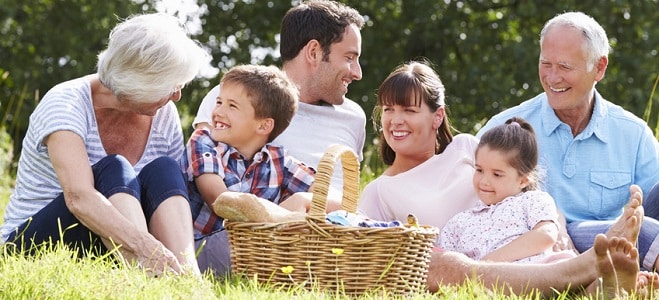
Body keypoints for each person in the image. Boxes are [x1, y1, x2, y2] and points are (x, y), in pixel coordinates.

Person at [357, 60, 649, 297]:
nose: (395, 120)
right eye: (388, 110)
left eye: (409, 110)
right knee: (452, 265)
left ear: (437, 117)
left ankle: (609, 283)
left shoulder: (467, 147)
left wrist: (557, 227)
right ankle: (582, 270)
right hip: (467, 266)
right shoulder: (379, 191)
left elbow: (525, 187)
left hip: (529, 243)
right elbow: (374, 261)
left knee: (633, 232)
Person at [0, 13, 210, 276]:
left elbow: (166, 194)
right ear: (139, 83)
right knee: (115, 167)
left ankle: (188, 278)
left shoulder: (163, 112)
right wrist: (147, 249)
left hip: (112, 244)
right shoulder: (65, 103)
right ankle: (145, 275)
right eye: (170, 86)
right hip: (38, 241)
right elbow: (78, 198)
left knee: (165, 169)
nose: (177, 96)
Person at [476, 11, 659, 272]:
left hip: (620, 240)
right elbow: (469, 200)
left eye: (564, 67)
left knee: (644, 224)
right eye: (545, 64)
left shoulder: (634, 133)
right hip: (546, 248)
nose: (552, 78)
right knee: (645, 232)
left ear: (599, 67)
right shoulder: (504, 129)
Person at [193, 0, 366, 197]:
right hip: (255, 224)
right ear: (313, 52)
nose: (357, 73)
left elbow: (349, 199)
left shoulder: (354, 117)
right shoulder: (231, 97)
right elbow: (204, 167)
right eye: (349, 58)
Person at [181, 64, 337, 242]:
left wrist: (303, 199)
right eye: (219, 102)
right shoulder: (205, 141)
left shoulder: (279, 160)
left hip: (255, 247)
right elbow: (221, 201)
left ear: (263, 126)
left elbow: (333, 198)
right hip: (206, 245)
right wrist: (281, 215)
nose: (218, 112)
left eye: (232, 106)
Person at [440, 117, 574, 263]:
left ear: (523, 180)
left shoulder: (532, 200)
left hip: (538, 272)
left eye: (497, 174)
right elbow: (443, 261)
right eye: (479, 170)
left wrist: (487, 262)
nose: (484, 181)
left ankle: (592, 273)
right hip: (489, 279)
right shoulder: (460, 222)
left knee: (565, 263)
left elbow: (546, 235)